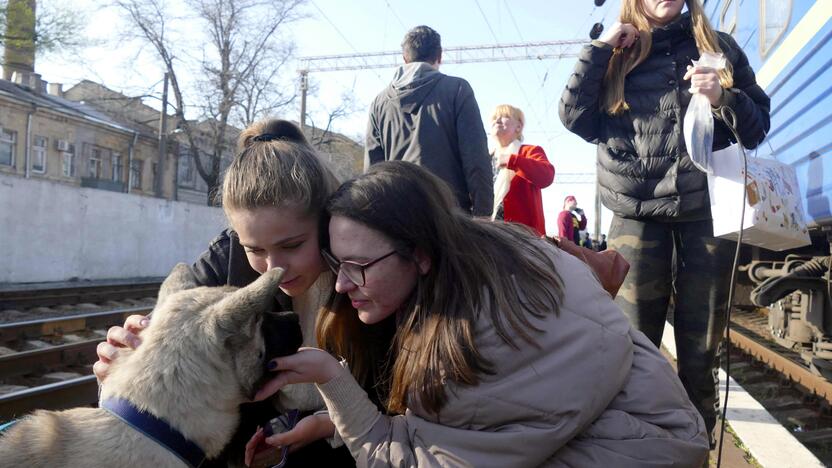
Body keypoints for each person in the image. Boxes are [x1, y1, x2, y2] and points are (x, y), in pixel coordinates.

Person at [250, 161, 709, 467]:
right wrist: (329, 422)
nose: (343, 283)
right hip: (658, 428)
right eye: (337, 264)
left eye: (359, 267)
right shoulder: (490, 252)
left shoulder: (471, 343)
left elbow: (409, 461)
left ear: (421, 254)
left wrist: (334, 381)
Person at [559, 0, 770, 444]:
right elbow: (576, 118)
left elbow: (757, 127)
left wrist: (722, 98)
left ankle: (695, 446)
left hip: (705, 216)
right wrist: (598, 50)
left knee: (700, 355)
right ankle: (635, 449)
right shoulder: (616, 51)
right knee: (630, 349)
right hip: (637, 217)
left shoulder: (720, 48)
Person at [94, 119, 356, 467]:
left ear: (327, 222)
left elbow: (405, 405)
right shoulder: (226, 256)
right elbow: (162, 367)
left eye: (292, 245)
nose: (274, 268)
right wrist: (124, 368)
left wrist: (330, 424)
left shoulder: (365, 263)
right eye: (255, 250)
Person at [364, 25, 493, 216]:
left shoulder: (379, 103)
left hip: (398, 218)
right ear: (439, 56)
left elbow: (372, 172)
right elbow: (476, 158)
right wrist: (483, 215)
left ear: (404, 58)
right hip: (450, 217)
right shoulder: (457, 90)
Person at [489, 104, 554, 236]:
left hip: (524, 240)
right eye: (495, 117)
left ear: (518, 126)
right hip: (490, 235)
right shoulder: (485, 158)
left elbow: (547, 176)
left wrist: (513, 161)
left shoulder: (529, 151)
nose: (497, 120)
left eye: (505, 116)